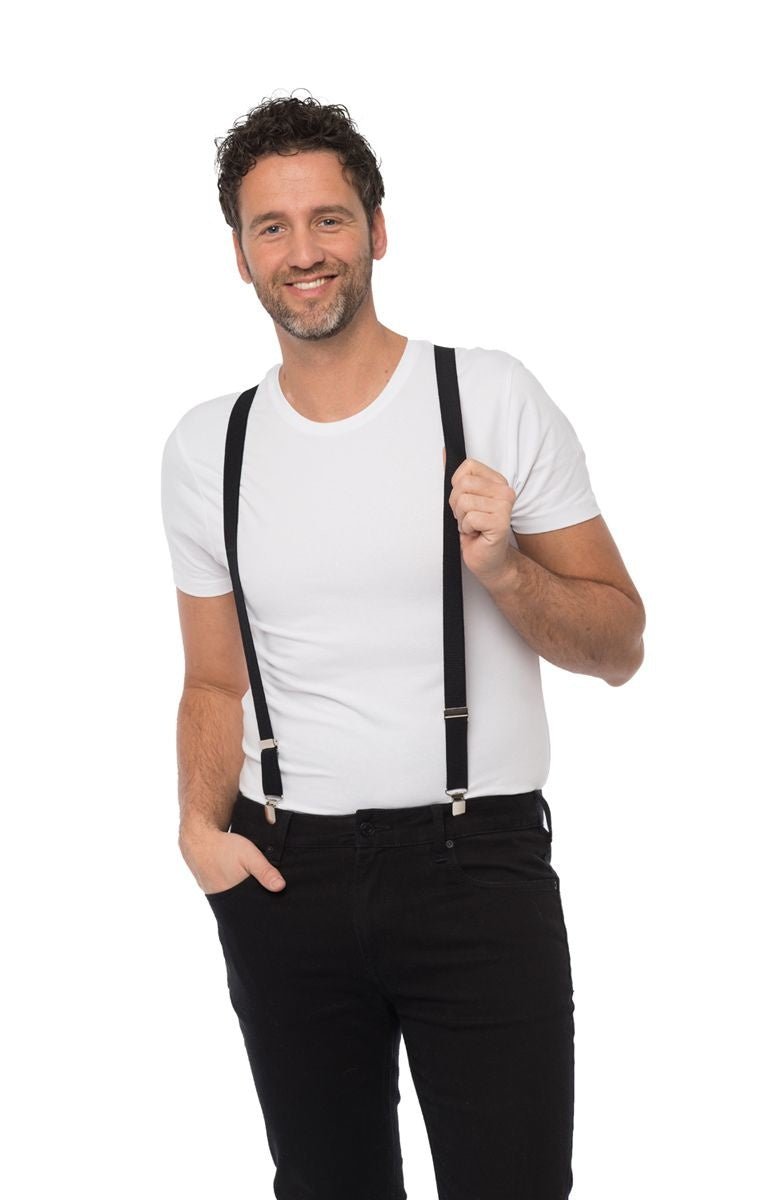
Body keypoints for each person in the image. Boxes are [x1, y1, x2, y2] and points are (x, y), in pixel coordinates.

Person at [160, 91, 645, 1200]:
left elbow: (619, 643)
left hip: (477, 869)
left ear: (377, 230)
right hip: (283, 875)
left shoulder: (487, 396)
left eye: (328, 218)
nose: (303, 252)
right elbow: (213, 679)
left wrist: (506, 569)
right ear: (239, 254)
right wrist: (196, 828)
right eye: (271, 226)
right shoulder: (206, 449)